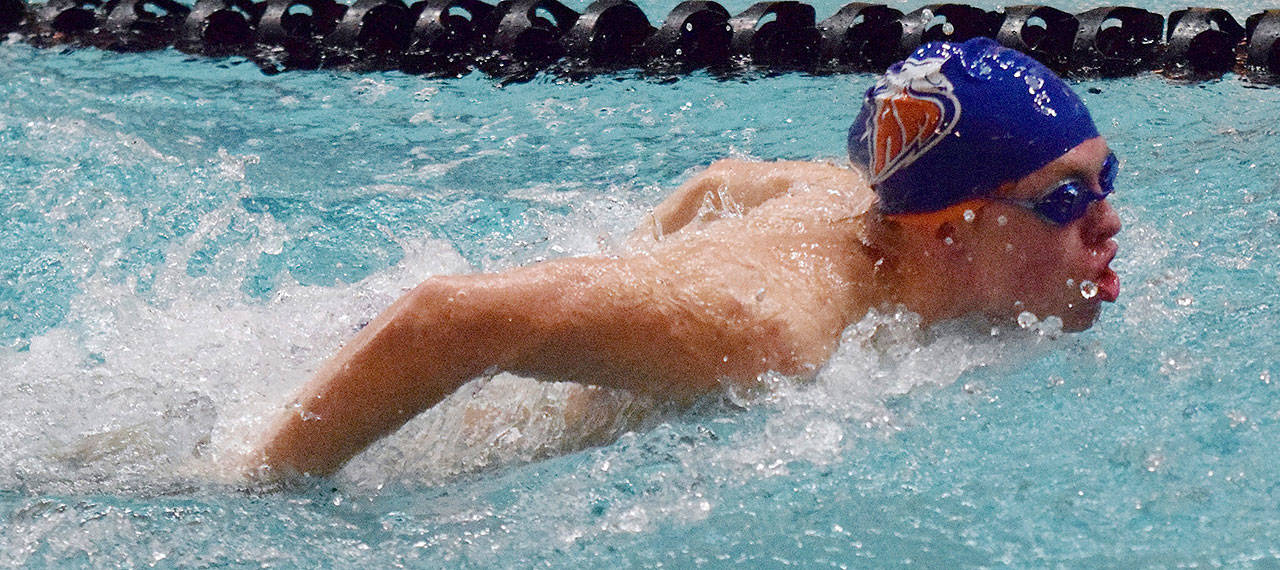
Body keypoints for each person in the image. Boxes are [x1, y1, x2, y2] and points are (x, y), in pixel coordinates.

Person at [242, 38, 1122, 480]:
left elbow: (721, 181)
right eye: (1066, 198)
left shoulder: (855, 194)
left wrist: (635, 269)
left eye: (1104, 177)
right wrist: (266, 488)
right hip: (407, 419)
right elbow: (448, 315)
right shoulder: (771, 330)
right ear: (950, 230)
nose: (1108, 219)